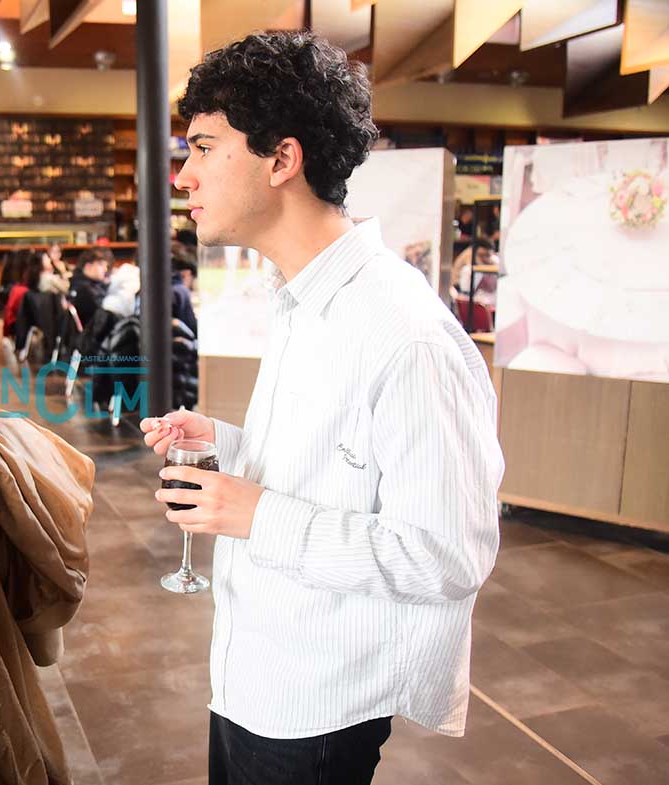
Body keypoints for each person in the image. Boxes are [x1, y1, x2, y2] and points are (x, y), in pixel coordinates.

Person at [141, 32, 504, 785]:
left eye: (203, 148)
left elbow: (448, 554)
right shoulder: (301, 295)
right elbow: (336, 464)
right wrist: (229, 443)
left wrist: (253, 513)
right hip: (252, 667)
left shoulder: (403, 332)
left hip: (315, 701)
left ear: (281, 159)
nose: (183, 176)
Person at [67, 247, 110, 326]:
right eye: (101, 265)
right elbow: (104, 313)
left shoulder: (92, 285)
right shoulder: (83, 289)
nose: (105, 269)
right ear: (88, 266)